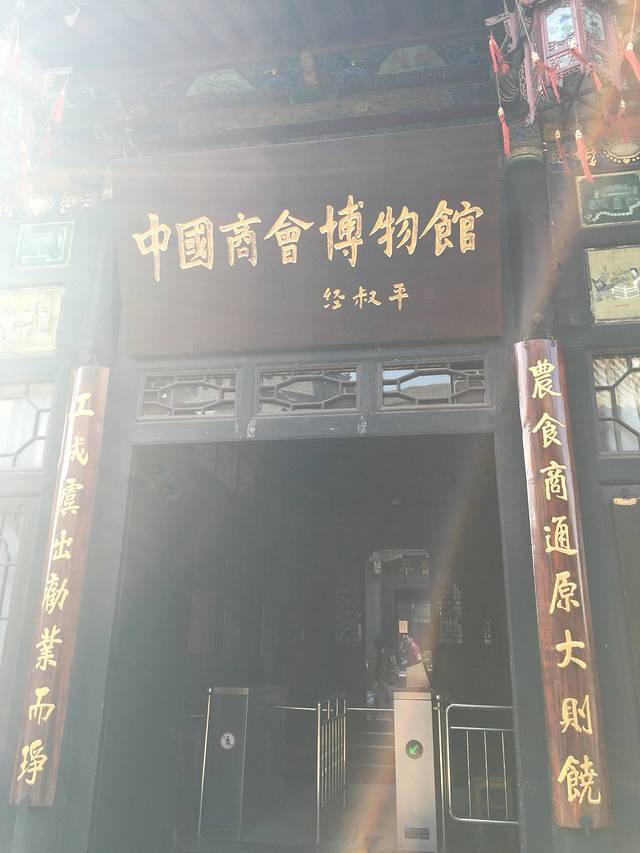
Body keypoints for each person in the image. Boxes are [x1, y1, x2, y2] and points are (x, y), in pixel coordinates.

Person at [374, 636, 398, 708]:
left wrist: (381, 676)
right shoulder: (387, 652)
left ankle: (380, 701)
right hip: (385, 676)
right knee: (382, 689)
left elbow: (383, 665)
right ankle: (380, 700)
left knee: (382, 689)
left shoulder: (383, 652)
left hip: (384, 676)